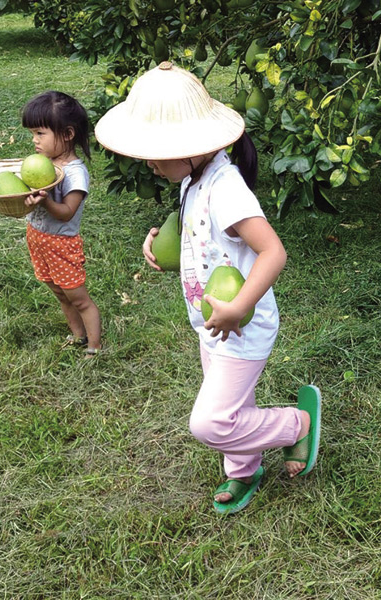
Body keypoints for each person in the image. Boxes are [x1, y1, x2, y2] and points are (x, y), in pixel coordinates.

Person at [94, 62, 321, 515]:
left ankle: (296, 424)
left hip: (242, 325)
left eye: (156, 152)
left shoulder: (226, 189)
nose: (149, 162)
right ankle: (244, 469)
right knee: (234, 401)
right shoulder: (190, 180)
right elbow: (198, 235)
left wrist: (238, 307)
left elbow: (274, 252)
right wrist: (163, 245)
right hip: (211, 322)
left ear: (194, 147)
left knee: (212, 421)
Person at [22, 91, 102, 357]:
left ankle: (94, 346)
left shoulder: (75, 172)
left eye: (40, 134)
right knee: (59, 293)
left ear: (67, 134)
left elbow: (67, 212)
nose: (34, 140)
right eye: (33, 134)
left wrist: (44, 201)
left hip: (61, 244)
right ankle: (78, 335)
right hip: (37, 237)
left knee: (79, 299)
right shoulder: (44, 163)